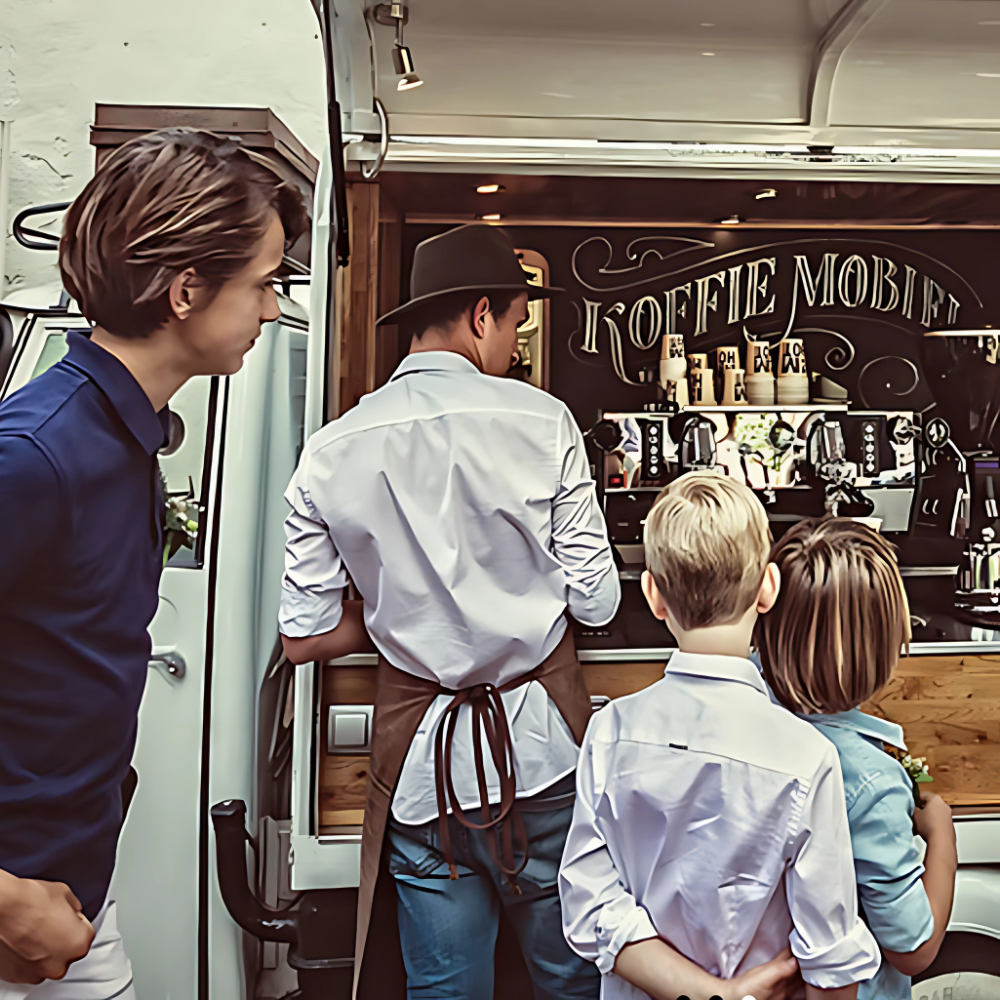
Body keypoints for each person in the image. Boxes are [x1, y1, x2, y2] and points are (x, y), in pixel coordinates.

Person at [0, 128, 306, 998]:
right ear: (184, 291)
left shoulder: (118, 437)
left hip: (74, 906)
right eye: (264, 283)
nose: (273, 308)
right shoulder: (36, 455)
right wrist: (9, 902)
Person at [279, 223, 620, 999]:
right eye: (515, 321)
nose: (515, 340)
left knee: (445, 988)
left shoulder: (332, 448)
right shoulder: (544, 421)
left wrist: (397, 609)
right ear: (479, 315)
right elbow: (596, 601)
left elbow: (303, 639)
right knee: (571, 977)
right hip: (542, 754)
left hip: (423, 770)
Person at [559, 471, 880, 1000]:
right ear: (768, 589)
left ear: (653, 596)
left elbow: (590, 905)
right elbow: (831, 964)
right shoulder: (807, 755)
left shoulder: (610, 731)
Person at [757, 517, 957, 1000]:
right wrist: (942, 834)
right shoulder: (870, 782)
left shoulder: (748, 726)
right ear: (884, 649)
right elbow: (914, 949)